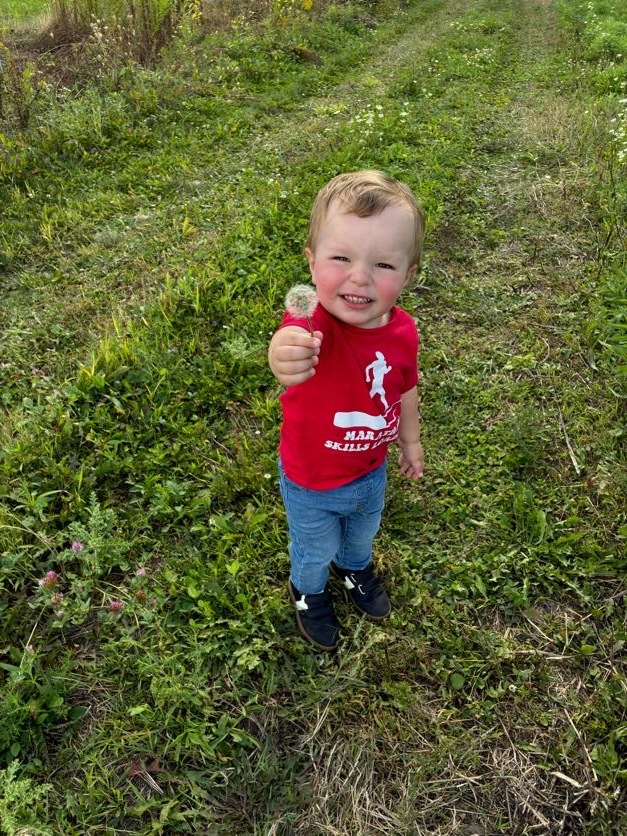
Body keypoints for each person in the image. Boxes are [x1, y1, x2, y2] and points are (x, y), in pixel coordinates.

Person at [268, 170, 425, 651]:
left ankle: (354, 568)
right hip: (311, 481)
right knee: (314, 548)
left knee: (361, 536)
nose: (360, 277)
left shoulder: (403, 332)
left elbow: (404, 389)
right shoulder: (311, 323)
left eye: (383, 264)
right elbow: (288, 343)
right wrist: (283, 353)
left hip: (370, 471)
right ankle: (308, 590)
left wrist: (411, 441)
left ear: (408, 274)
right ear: (312, 262)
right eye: (341, 258)